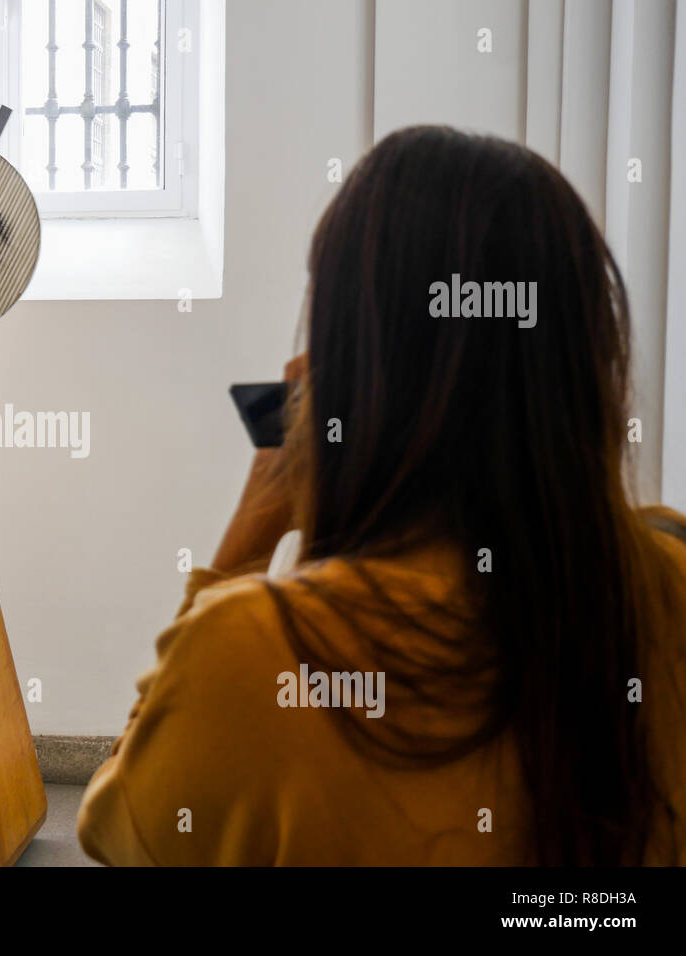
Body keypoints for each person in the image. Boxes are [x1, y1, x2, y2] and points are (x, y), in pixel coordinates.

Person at [77, 125, 686, 866]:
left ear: (355, 366)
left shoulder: (253, 653)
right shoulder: (665, 585)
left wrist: (246, 539)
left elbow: (115, 831)